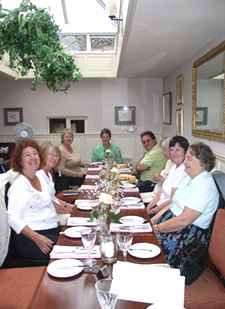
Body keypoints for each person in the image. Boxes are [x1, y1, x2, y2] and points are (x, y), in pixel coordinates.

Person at [153, 142, 219, 266]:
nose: (184, 162)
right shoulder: (189, 179)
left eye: (189, 159)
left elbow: (184, 220)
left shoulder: (204, 186)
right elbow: (173, 205)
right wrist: (154, 220)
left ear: (202, 163)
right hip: (172, 225)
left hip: (187, 235)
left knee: (147, 250)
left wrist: (157, 228)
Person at [7, 139, 61, 260]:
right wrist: (37, 238)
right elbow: (12, 218)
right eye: (27, 155)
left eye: (35, 153)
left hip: (49, 229)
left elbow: (49, 202)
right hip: (31, 238)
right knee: (71, 251)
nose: (33, 157)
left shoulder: (38, 178)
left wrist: (56, 222)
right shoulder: (19, 185)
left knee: (77, 239)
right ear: (20, 161)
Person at [147, 136, 189, 219]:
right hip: (158, 206)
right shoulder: (174, 167)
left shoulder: (182, 171)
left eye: (178, 150)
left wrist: (152, 211)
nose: (174, 153)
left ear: (185, 152)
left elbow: (171, 201)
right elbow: (161, 191)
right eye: (172, 149)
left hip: (166, 210)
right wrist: (148, 208)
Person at [36, 141, 74, 213]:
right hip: (47, 214)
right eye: (51, 154)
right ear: (43, 154)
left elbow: (53, 198)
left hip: (53, 211)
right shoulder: (39, 175)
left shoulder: (49, 173)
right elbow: (49, 203)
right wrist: (69, 211)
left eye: (57, 155)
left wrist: (69, 205)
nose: (54, 158)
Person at [140, 137, 174, 204]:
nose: (163, 153)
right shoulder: (169, 162)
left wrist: (161, 179)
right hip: (154, 193)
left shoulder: (177, 167)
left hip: (160, 198)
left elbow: (172, 189)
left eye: (165, 151)